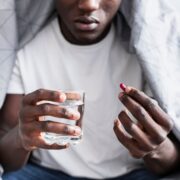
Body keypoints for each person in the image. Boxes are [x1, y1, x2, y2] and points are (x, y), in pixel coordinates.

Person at [0, 0, 179, 179]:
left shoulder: (150, 52)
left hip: (132, 173)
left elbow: (169, 166)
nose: (89, 5)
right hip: (45, 172)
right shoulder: (24, 46)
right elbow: (6, 158)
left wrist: (156, 148)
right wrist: (21, 138)